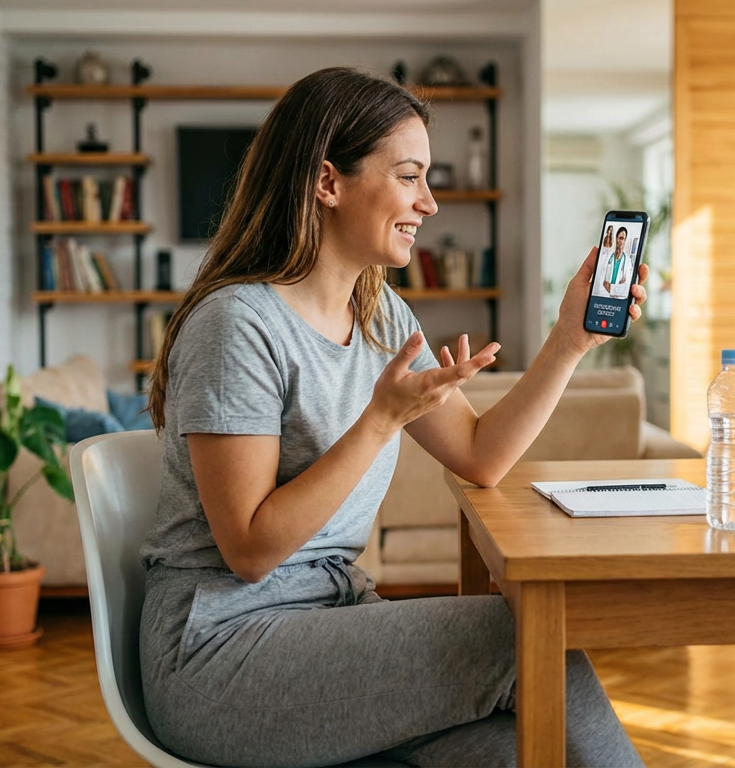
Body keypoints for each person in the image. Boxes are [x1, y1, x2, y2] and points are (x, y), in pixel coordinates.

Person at [139, 68, 647, 767]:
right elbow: (250, 551)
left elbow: (479, 454)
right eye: (409, 176)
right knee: (524, 637)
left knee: (512, 751)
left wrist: (568, 340)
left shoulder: (378, 315)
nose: (429, 203)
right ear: (327, 183)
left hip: (329, 625)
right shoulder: (237, 325)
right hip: (221, 652)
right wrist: (380, 420)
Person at [593, 227, 633, 299]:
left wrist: (611, 288)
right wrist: (617, 289)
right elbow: (599, 282)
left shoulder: (627, 261)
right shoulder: (607, 257)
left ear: (625, 240)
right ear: (616, 239)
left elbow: (627, 288)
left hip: (617, 302)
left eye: (622, 238)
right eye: (618, 238)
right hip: (603, 297)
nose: (619, 241)